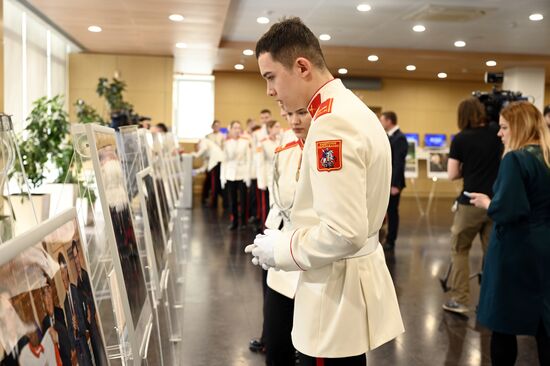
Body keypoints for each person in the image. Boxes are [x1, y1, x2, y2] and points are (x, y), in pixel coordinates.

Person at [245, 17, 403, 365]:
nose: (270, 91)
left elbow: (343, 232)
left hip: (335, 289)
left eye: (270, 77)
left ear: (301, 66)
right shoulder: (348, 109)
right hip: (342, 282)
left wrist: (281, 250)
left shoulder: (332, 123)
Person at [468, 101, 550, 366]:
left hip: (515, 250)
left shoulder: (516, 158)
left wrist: (487, 203)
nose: (499, 133)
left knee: (502, 323)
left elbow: (508, 210)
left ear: (518, 127)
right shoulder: (546, 157)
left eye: (504, 127)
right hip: (544, 247)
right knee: (543, 322)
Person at [442, 97, 503, 314]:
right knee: (493, 253)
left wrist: (468, 170)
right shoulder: (497, 133)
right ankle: (491, 303)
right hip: (495, 202)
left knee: (460, 250)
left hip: (469, 203)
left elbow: (452, 174)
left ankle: (460, 300)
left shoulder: (460, 139)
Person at [262, 105, 311, 366]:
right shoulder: (286, 147)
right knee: (276, 336)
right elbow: (279, 196)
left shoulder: (328, 146)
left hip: (313, 255)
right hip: (281, 246)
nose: (294, 121)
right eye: (289, 114)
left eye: (301, 113)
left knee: (310, 348)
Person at [71, 241, 107, 365]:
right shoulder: (77, 281)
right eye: (74, 257)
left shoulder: (87, 275)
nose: (76, 260)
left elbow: (94, 294)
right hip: (89, 324)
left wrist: (90, 308)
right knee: (97, 352)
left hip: (94, 321)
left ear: (80, 255)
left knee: (100, 350)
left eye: (77, 256)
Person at [379, 111, 408, 251]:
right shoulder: (389, 137)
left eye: (382, 120)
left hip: (394, 183)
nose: (381, 122)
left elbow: (398, 163)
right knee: (386, 210)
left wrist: (395, 184)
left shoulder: (400, 138)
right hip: (387, 182)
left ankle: (391, 240)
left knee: (392, 211)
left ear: (389, 121)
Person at [58, 253, 93, 366]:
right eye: (60, 273)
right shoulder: (65, 302)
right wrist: (72, 346)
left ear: (67, 270)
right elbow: (69, 326)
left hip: (83, 339)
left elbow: (83, 315)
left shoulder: (75, 291)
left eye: (63, 271)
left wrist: (78, 325)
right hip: (76, 346)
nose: (62, 275)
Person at [221, 121, 251, 230]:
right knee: (232, 200)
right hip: (230, 174)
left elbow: (249, 159)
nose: (237, 130)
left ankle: (243, 222)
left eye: (239, 128)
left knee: (243, 200)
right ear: (231, 129)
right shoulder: (226, 142)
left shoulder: (245, 142)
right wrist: (222, 176)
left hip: (242, 173)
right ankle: (234, 221)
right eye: (235, 128)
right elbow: (224, 160)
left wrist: (248, 176)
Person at [257, 120, 282, 232]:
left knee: (278, 202)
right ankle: (265, 227)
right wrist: (261, 181)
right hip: (268, 175)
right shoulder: (262, 142)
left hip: (280, 175)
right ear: (270, 128)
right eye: (276, 126)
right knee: (267, 203)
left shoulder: (281, 140)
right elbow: (260, 162)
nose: (279, 129)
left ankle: (276, 226)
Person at [41, 278, 72, 366]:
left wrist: (57, 337)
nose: (48, 298)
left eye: (49, 293)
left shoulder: (59, 313)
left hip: (65, 360)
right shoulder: (44, 323)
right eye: (45, 295)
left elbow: (66, 339)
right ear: (43, 300)